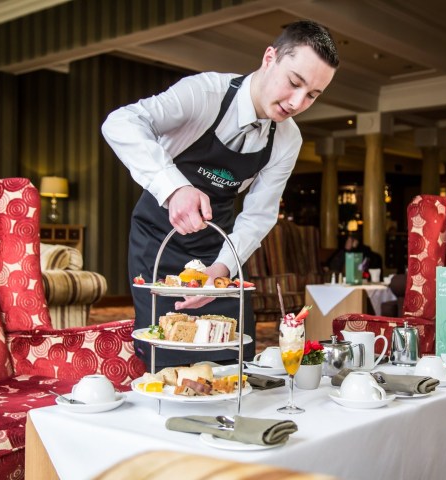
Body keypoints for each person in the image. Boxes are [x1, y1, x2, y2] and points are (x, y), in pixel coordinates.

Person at [102, 20, 339, 371]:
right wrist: (175, 187)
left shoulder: (288, 139)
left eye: (312, 95)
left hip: (218, 245)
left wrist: (222, 268)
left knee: (231, 351)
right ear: (270, 57)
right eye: (294, 83)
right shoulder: (204, 94)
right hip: (159, 240)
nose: (297, 102)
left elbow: (259, 213)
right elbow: (120, 122)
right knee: (168, 348)